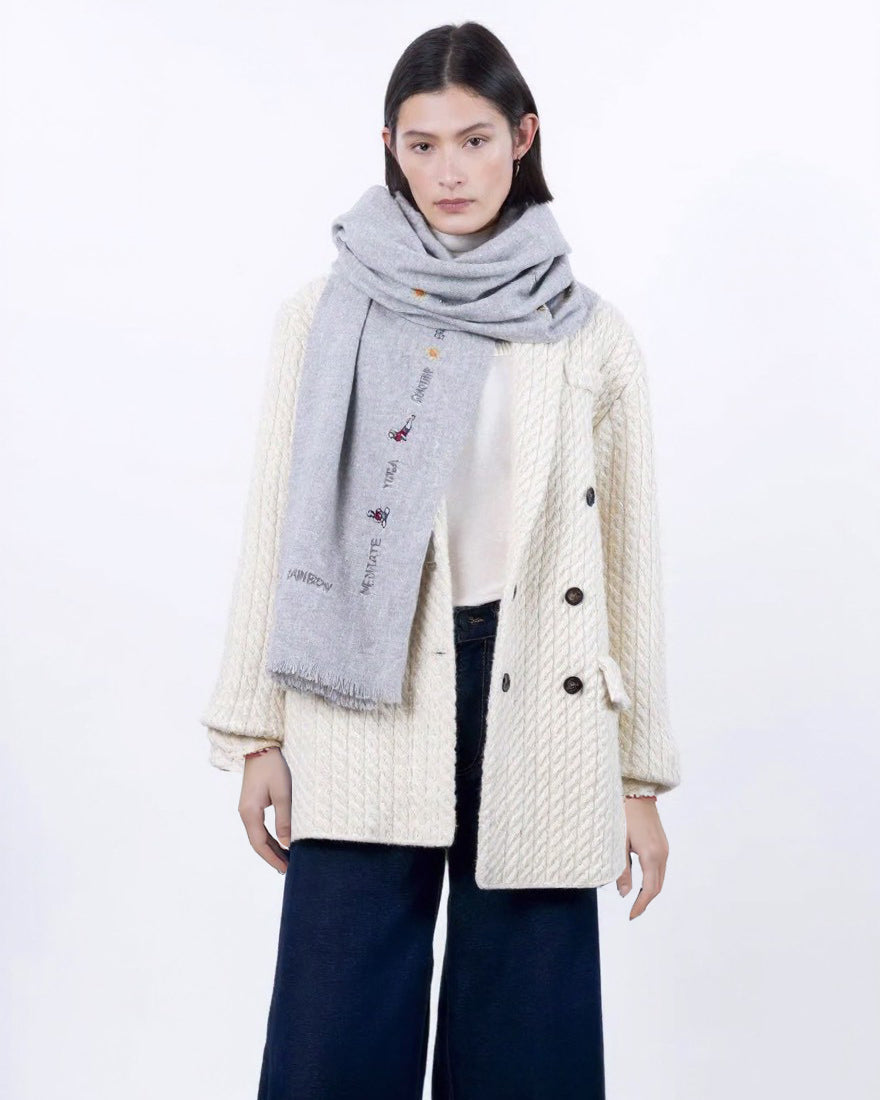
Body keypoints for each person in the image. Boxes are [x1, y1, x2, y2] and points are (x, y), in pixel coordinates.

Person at [200, 20, 682, 1100]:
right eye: (421, 145)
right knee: (332, 1035)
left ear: (523, 138)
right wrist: (255, 729)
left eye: (474, 140)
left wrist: (639, 779)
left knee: (529, 1045)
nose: (448, 171)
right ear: (389, 147)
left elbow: (627, 563)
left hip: (539, 688)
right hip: (363, 687)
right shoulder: (322, 315)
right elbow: (273, 519)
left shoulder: (586, 333)